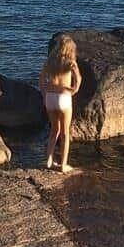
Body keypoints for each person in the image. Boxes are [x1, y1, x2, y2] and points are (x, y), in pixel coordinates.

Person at [39, 35, 81, 172]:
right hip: (64, 97)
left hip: (50, 97)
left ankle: (49, 161)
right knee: (65, 133)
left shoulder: (49, 62)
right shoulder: (71, 62)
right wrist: (73, 90)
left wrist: (45, 94)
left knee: (53, 131)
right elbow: (78, 79)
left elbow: (41, 81)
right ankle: (63, 165)